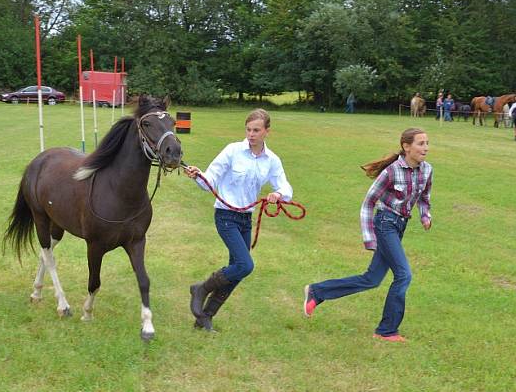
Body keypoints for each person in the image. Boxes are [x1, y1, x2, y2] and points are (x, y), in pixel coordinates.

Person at [302, 128, 433, 342]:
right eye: (420, 143)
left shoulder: (427, 170)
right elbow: (368, 204)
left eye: (427, 143)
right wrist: (369, 238)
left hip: (400, 225)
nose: (425, 147)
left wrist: (425, 215)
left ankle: (317, 292)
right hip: (385, 223)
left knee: (372, 279)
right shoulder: (391, 172)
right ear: (406, 146)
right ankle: (387, 330)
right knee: (404, 275)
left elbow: (425, 197)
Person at [184, 109, 294, 332]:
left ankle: (204, 317)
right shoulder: (232, 151)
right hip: (225, 216)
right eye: (248, 129)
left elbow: (285, 186)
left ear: (266, 132)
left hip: (246, 218)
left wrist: (278, 195)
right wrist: (199, 175)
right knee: (245, 265)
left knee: (238, 270)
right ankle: (201, 288)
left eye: (256, 130)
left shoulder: (271, 160)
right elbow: (210, 180)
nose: (251, 134)